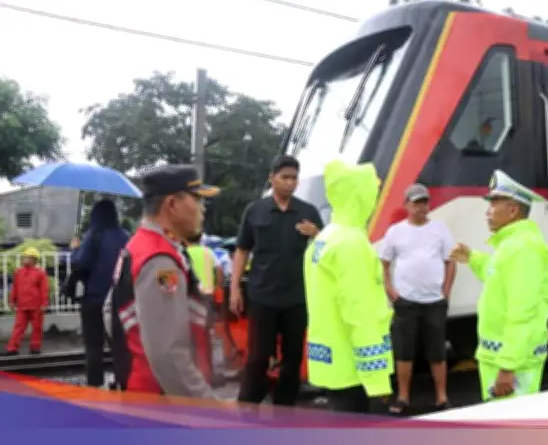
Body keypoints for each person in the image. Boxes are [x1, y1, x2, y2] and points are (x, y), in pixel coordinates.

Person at [103, 164, 220, 398]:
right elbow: (169, 355)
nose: (202, 209)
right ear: (172, 205)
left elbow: (108, 312)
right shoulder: (160, 262)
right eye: (197, 200)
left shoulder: (139, 246)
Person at [449, 170, 548, 401]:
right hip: (503, 358)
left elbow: (522, 311)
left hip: (510, 362)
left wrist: (507, 368)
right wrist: (473, 258)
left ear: (513, 210)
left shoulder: (521, 248)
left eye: (493, 205)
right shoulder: (514, 245)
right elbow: (498, 276)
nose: (487, 212)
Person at [229, 155, 323, 406]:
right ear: (272, 178)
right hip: (262, 297)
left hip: (297, 298)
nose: (290, 183)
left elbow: (325, 249)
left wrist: (317, 234)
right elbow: (242, 249)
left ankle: (284, 408)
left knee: (292, 358)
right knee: (258, 357)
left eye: (294, 178)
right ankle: (248, 405)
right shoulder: (255, 210)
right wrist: (235, 287)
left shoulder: (308, 212)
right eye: (284, 178)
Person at [303, 160, 393, 413]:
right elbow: (359, 314)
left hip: (333, 361)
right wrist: (377, 380)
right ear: (359, 195)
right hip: (355, 367)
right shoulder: (351, 244)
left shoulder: (324, 238)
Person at [380, 183, 455, 414]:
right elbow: (384, 263)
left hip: (434, 302)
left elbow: (450, 261)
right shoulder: (395, 232)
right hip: (406, 302)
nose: (421, 207)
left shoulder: (440, 230)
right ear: (406, 205)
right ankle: (403, 397)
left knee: (437, 351)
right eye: (416, 203)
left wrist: (446, 291)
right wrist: (390, 290)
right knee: (404, 351)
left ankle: (442, 397)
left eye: (424, 202)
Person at [70, 198, 130, 387]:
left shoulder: (94, 235)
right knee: (120, 346)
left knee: (93, 346)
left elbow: (79, 263)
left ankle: (95, 388)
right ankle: (122, 383)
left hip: (94, 299)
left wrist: (75, 249)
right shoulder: (127, 237)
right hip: (119, 300)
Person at [4, 248, 49, 356]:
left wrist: (44, 304)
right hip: (22, 306)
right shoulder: (18, 272)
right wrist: (12, 301)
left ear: (34, 259)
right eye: (24, 257)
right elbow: (15, 287)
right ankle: (12, 348)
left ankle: (35, 348)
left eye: (27, 257)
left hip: (36, 306)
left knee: (37, 327)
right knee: (18, 327)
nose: (24, 259)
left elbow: (44, 289)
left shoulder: (40, 273)